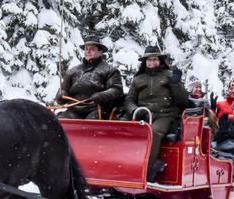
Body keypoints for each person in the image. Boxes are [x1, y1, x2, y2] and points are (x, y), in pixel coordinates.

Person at [124, 46, 189, 181]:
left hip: (166, 116)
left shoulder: (169, 76)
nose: (152, 62)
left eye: (155, 59)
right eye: (149, 60)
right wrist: (134, 111)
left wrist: (176, 84)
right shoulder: (138, 79)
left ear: (160, 60)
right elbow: (129, 99)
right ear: (145, 62)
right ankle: (124, 167)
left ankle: (146, 171)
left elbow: (183, 100)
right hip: (144, 115)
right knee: (124, 132)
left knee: (153, 131)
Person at [55, 38, 123, 119]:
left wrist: (101, 96)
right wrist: (61, 95)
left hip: (97, 110)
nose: (88, 51)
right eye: (86, 49)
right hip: (74, 110)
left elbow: (117, 90)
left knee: (89, 126)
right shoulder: (72, 71)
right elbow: (64, 89)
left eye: (92, 49)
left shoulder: (110, 70)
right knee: (60, 124)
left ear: (100, 52)